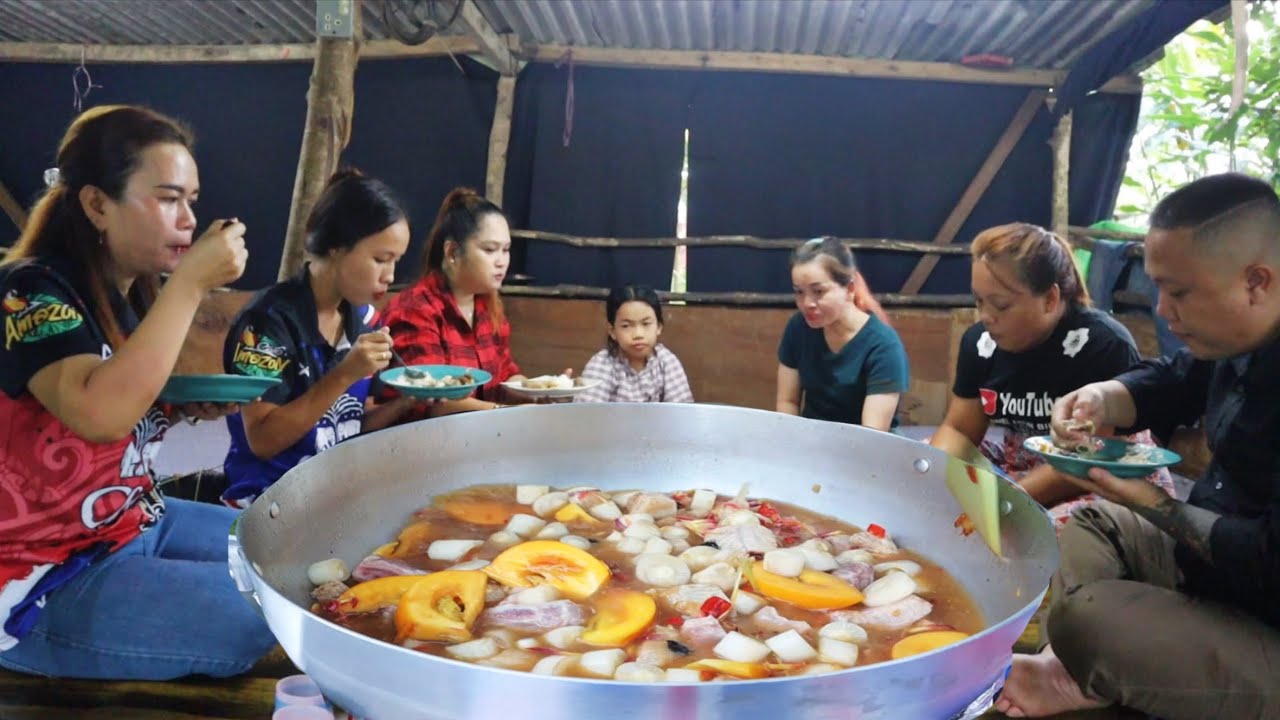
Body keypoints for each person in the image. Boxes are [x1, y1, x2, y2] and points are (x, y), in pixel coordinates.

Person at [0, 105, 276, 679]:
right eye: (169, 198)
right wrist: (193, 281)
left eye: (191, 200)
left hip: (129, 520)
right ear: (98, 204)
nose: (188, 218)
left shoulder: (125, 298)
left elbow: (122, 414)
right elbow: (98, 414)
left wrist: (177, 406)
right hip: (43, 572)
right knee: (258, 616)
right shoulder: (29, 291)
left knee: (281, 543)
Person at [994, 174, 1280, 719]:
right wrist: (1100, 398)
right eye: (1158, 288)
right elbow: (1172, 380)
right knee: (1090, 525)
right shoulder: (1238, 341)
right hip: (1215, 575)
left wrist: (1151, 503)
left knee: (1090, 619)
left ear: (1256, 281)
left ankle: (1086, 665)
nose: (1164, 311)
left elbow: (1268, 560)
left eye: (1180, 291)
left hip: (1267, 617)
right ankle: (1078, 673)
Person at [929, 223, 1175, 528]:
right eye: (979, 301)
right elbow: (960, 431)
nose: (985, 317)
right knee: (930, 464)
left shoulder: (1101, 343)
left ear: (1050, 299)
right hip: (1026, 461)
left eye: (1001, 305)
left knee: (1046, 535)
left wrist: (1004, 501)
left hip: (1098, 474)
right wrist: (930, 478)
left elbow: (1086, 458)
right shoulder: (980, 344)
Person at [221, 169, 420, 507]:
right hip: (268, 503)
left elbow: (347, 424)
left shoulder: (364, 319)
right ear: (339, 248)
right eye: (380, 259)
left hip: (334, 494)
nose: (390, 275)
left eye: (396, 261)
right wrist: (344, 374)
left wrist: (409, 401)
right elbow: (263, 440)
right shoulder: (265, 326)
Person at [379, 187, 529, 415]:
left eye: (506, 250)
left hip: (478, 440)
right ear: (452, 252)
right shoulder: (415, 309)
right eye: (490, 250)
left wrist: (538, 389)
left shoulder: (488, 308)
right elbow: (431, 399)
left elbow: (506, 376)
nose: (502, 262)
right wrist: (504, 412)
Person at [775, 237, 909, 431]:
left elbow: (873, 433)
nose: (807, 303)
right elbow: (787, 402)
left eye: (818, 291)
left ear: (850, 289)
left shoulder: (884, 346)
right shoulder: (798, 328)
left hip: (867, 451)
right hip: (810, 445)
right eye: (799, 292)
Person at [573, 284, 694, 403]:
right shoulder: (602, 363)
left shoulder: (667, 362)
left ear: (659, 327)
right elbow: (588, 416)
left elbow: (682, 415)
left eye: (646, 324)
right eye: (626, 326)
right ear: (612, 331)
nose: (638, 334)